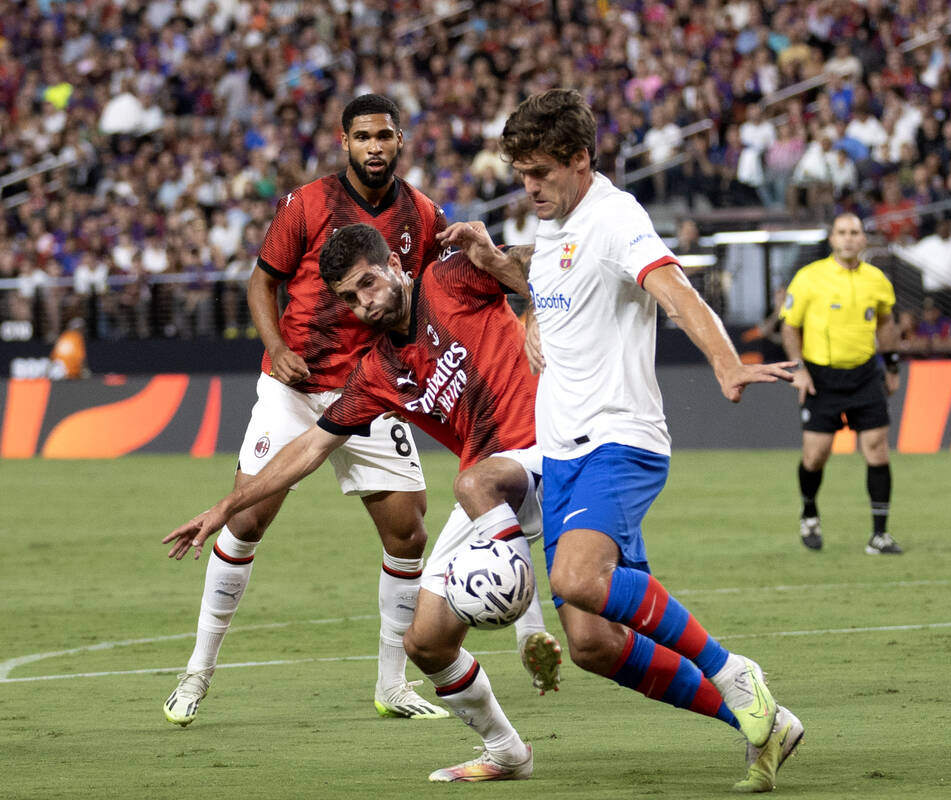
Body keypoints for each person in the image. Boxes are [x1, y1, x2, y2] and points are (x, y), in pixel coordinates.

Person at [443, 88, 803, 794]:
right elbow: (550, 279)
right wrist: (492, 261)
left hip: (619, 438)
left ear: (581, 159)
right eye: (521, 174)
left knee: (577, 577)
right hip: (564, 454)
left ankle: (738, 675)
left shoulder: (615, 216)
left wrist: (727, 363)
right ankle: (767, 723)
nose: (529, 187)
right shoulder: (557, 221)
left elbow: (674, 288)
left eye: (541, 173)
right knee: (593, 644)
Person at [165, 223, 560, 781]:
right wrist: (225, 507)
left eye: (368, 284)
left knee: (592, 618)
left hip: (546, 455)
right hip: (492, 484)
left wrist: (512, 284)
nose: (363, 304)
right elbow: (308, 449)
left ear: (396, 267)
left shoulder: (449, 278)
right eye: (349, 297)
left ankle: (526, 608)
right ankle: (508, 752)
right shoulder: (378, 372)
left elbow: (552, 268)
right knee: (424, 643)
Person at [161, 94, 446, 726]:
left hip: (370, 389)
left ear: (400, 140)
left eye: (386, 135)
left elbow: (425, 295)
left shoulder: (423, 214)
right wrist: (276, 345)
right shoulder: (307, 204)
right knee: (247, 521)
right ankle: (197, 672)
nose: (376, 146)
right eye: (365, 136)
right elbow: (262, 280)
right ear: (344, 140)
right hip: (294, 385)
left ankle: (392, 685)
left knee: (409, 532)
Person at [778, 213, 904, 556]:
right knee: (815, 455)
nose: (849, 238)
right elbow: (789, 327)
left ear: (864, 239)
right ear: (832, 239)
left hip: (865, 374)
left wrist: (891, 366)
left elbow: (886, 323)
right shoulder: (809, 278)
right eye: (842, 233)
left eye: (855, 233)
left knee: (877, 448)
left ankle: (879, 535)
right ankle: (809, 512)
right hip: (821, 378)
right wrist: (799, 369)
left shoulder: (877, 280)